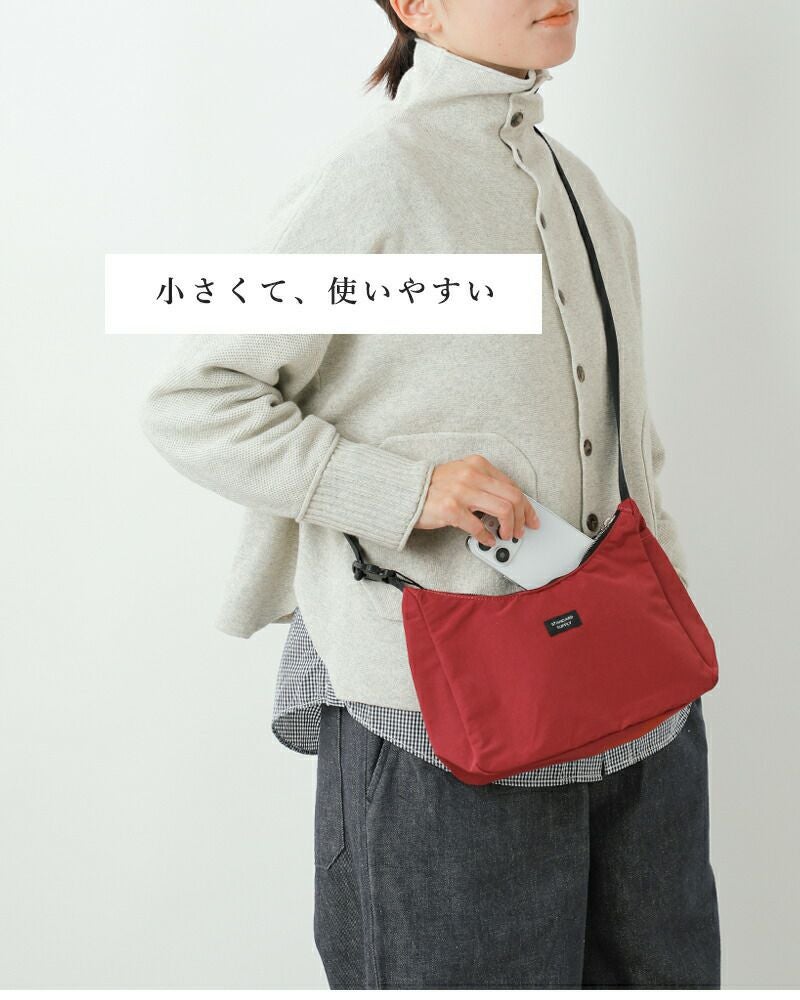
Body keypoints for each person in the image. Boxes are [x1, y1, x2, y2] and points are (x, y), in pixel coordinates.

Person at [140, 0, 721, 988]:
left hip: (639, 705)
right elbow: (196, 399)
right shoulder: (377, 176)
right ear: (416, 7)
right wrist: (405, 490)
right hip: (440, 718)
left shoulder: (580, 190)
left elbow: (629, 440)